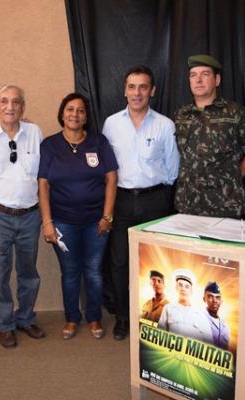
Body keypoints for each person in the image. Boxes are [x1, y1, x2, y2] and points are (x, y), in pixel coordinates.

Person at [103, 65, 180, 340]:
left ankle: (154, 319)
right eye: (132, 87)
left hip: (155, 201)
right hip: (121, 201)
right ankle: (123, 318)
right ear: (125, 91)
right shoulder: (111, 124)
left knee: (155, 265)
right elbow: (106, 167)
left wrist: (160, 196)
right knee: (120, 263)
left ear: (152, 91)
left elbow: (172, 170)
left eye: (143, 87)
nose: (137, 93)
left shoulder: (165, 125)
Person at [0, 84, 46, 348]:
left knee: (28, 272)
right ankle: (5, 324)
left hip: (29, 216)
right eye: (4, 101)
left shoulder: (35, 132)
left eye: (16, 102)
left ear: (23, 107)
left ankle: (25, 318)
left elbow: (41, 176)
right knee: (0, 275)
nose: (10, 107)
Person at [38, 93, 118, 340]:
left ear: (86, 116)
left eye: (81, 110)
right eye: (70, 109)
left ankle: (94, 317)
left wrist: (107, 216)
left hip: (96, 221)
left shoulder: (98, 142)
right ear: (62, 113)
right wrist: (48, 222)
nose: (75, 114)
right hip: (63, 222)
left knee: (93, 271)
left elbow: (112, 178)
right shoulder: (50, 145)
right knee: (71, 272)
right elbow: (42, 185)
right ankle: (72, 318)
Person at [173, 54, 245, 218]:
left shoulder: (236, 112)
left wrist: (231, 178)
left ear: (217, 80)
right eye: (193, 75)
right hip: (187, 204)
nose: (198, 80)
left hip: (225, 204)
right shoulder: (180, 115)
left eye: (205, 74)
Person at [157, 269, 212, 342]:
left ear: (192, 291)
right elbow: (159, 337)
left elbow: (210, 343)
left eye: (187, 286)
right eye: (180, 285)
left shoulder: (200, 314)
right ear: (176, 288)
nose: (183, 289)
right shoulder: (168, 309)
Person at [203, 281, 231, 350]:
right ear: (204, 299)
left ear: (221, 301)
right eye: (210, 296)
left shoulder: (225, 326)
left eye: (218, 297)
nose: (214, 300)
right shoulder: (199, 319)